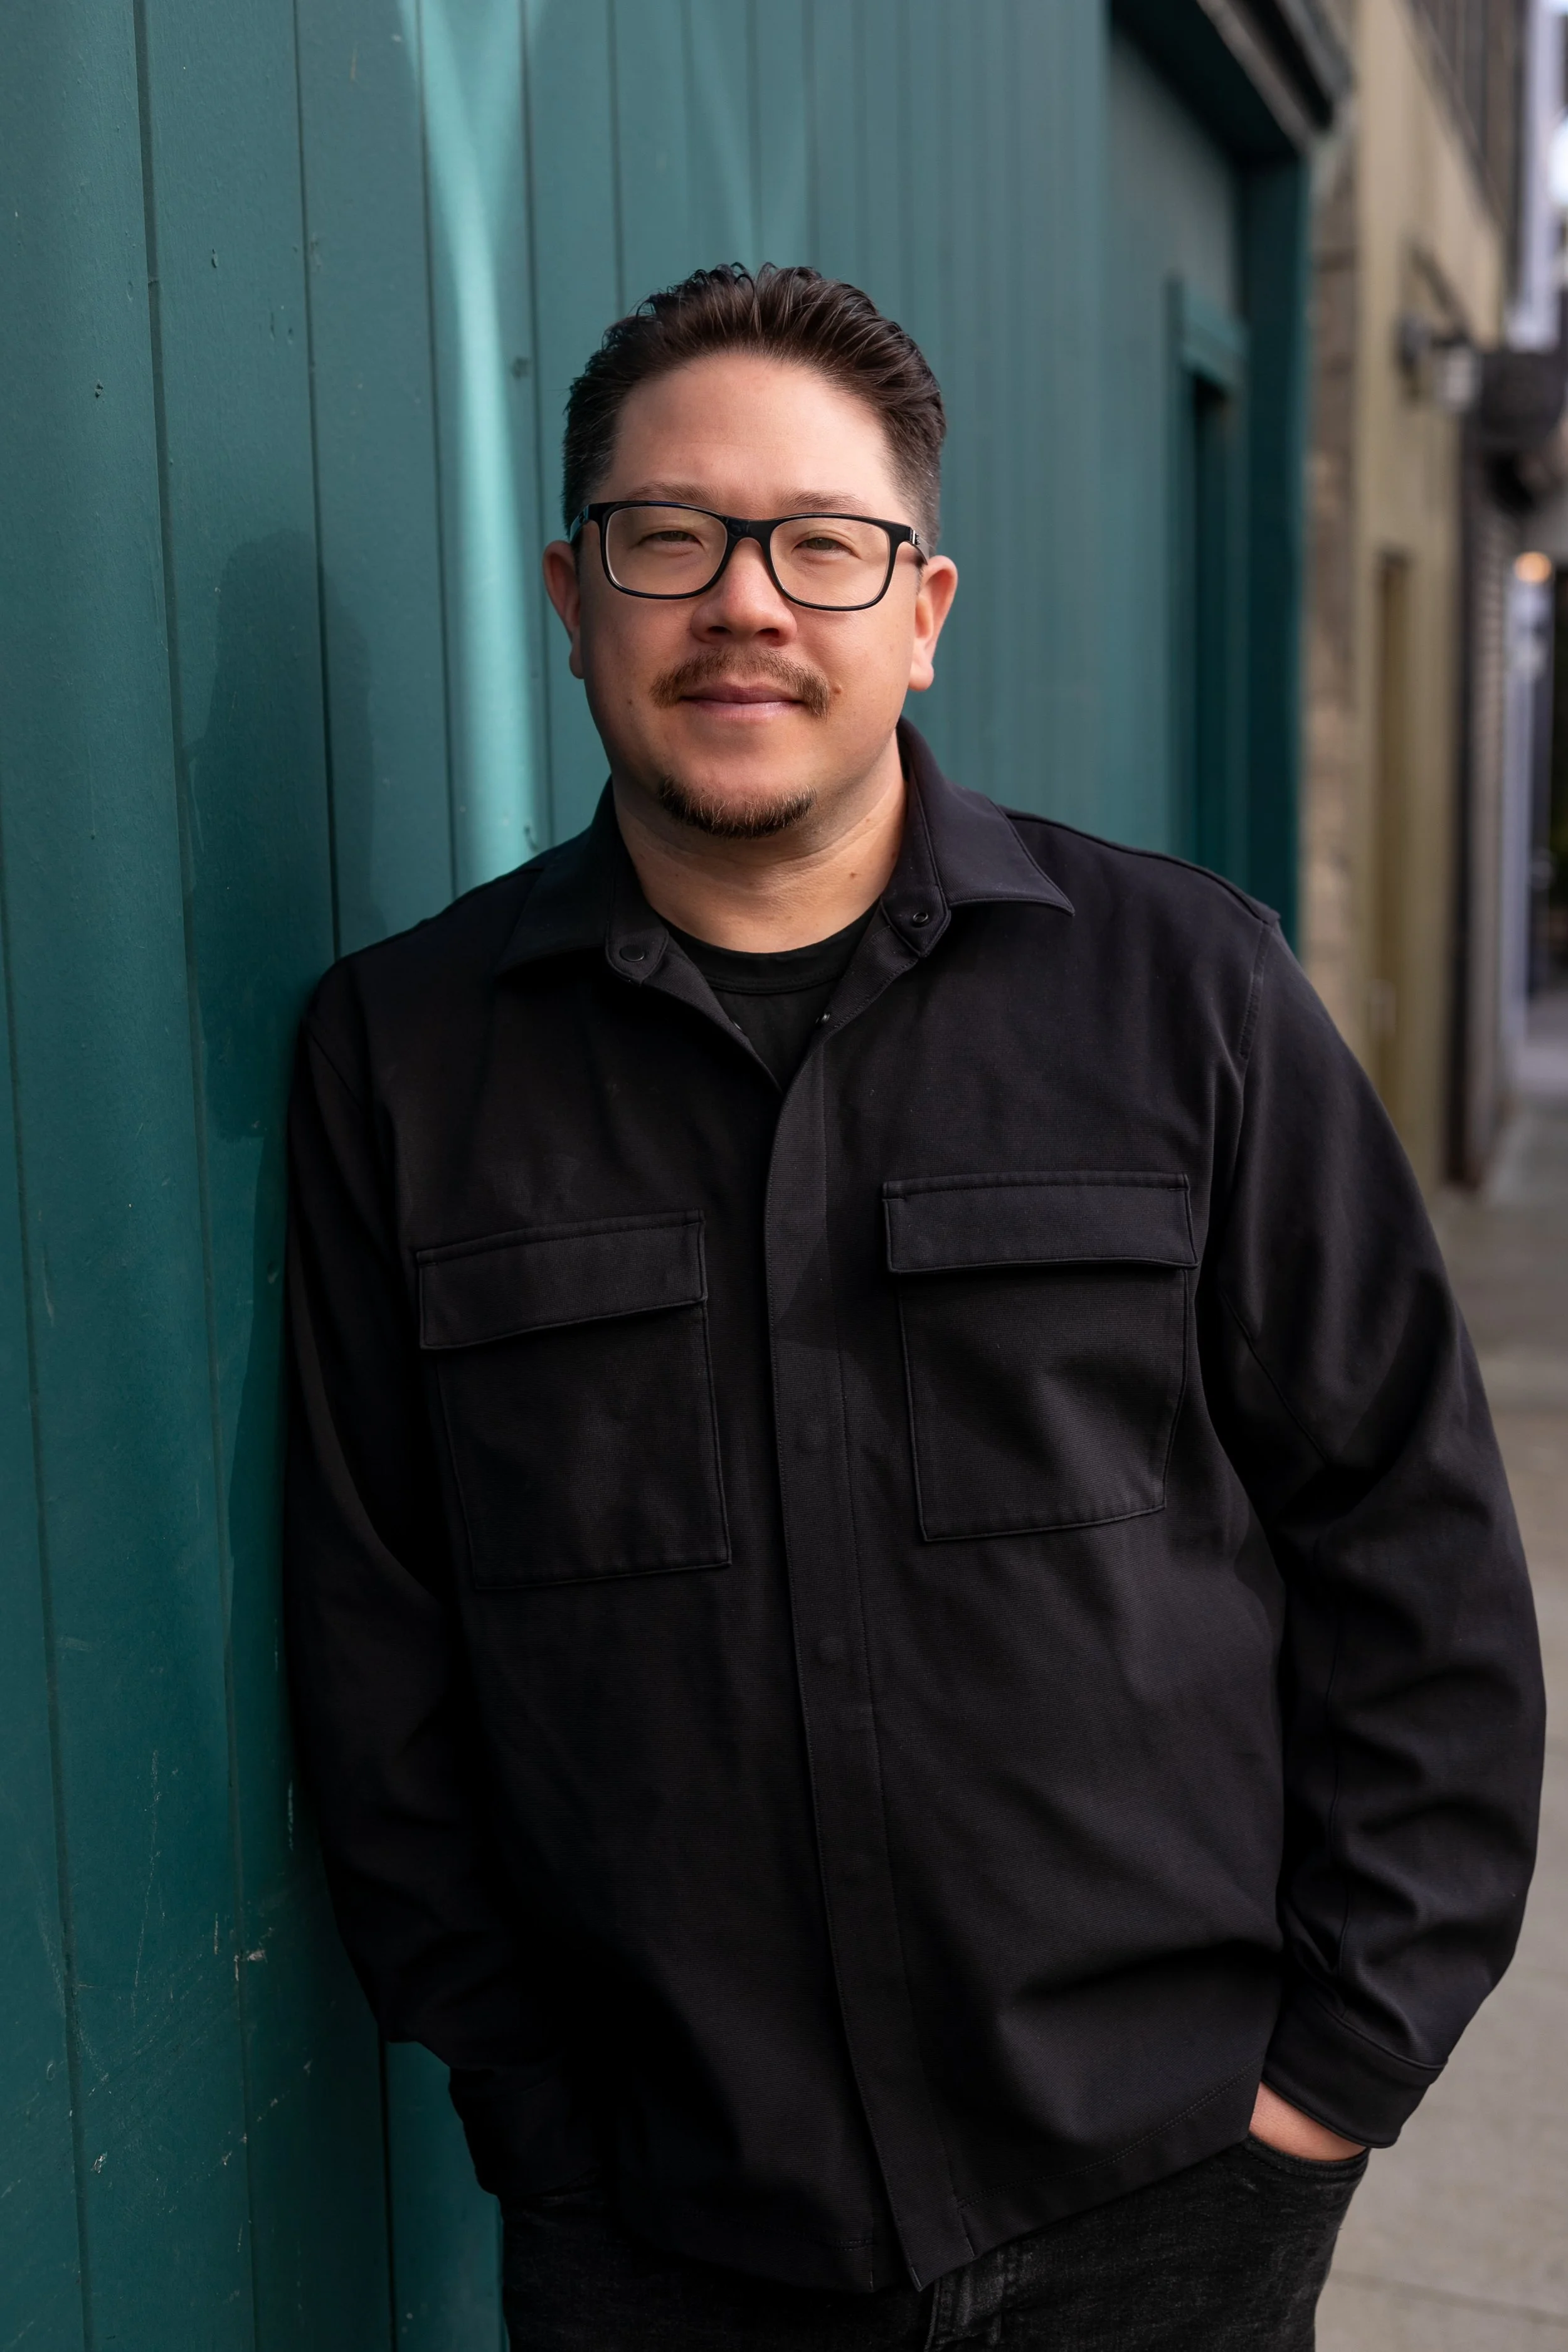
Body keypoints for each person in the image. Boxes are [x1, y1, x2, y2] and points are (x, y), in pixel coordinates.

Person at [284, 265, 1545, 2351]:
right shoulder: (406, 1062)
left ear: (922, 607)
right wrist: (528, 2105)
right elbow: (375, 1640)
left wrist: (1327, 2085)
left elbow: (1414, 1558)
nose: (746, 601)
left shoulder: (1186, 996)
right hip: (660, 2232)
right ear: (571, 592)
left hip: (1162, 2198)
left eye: (823, 544)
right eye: (669, 537)